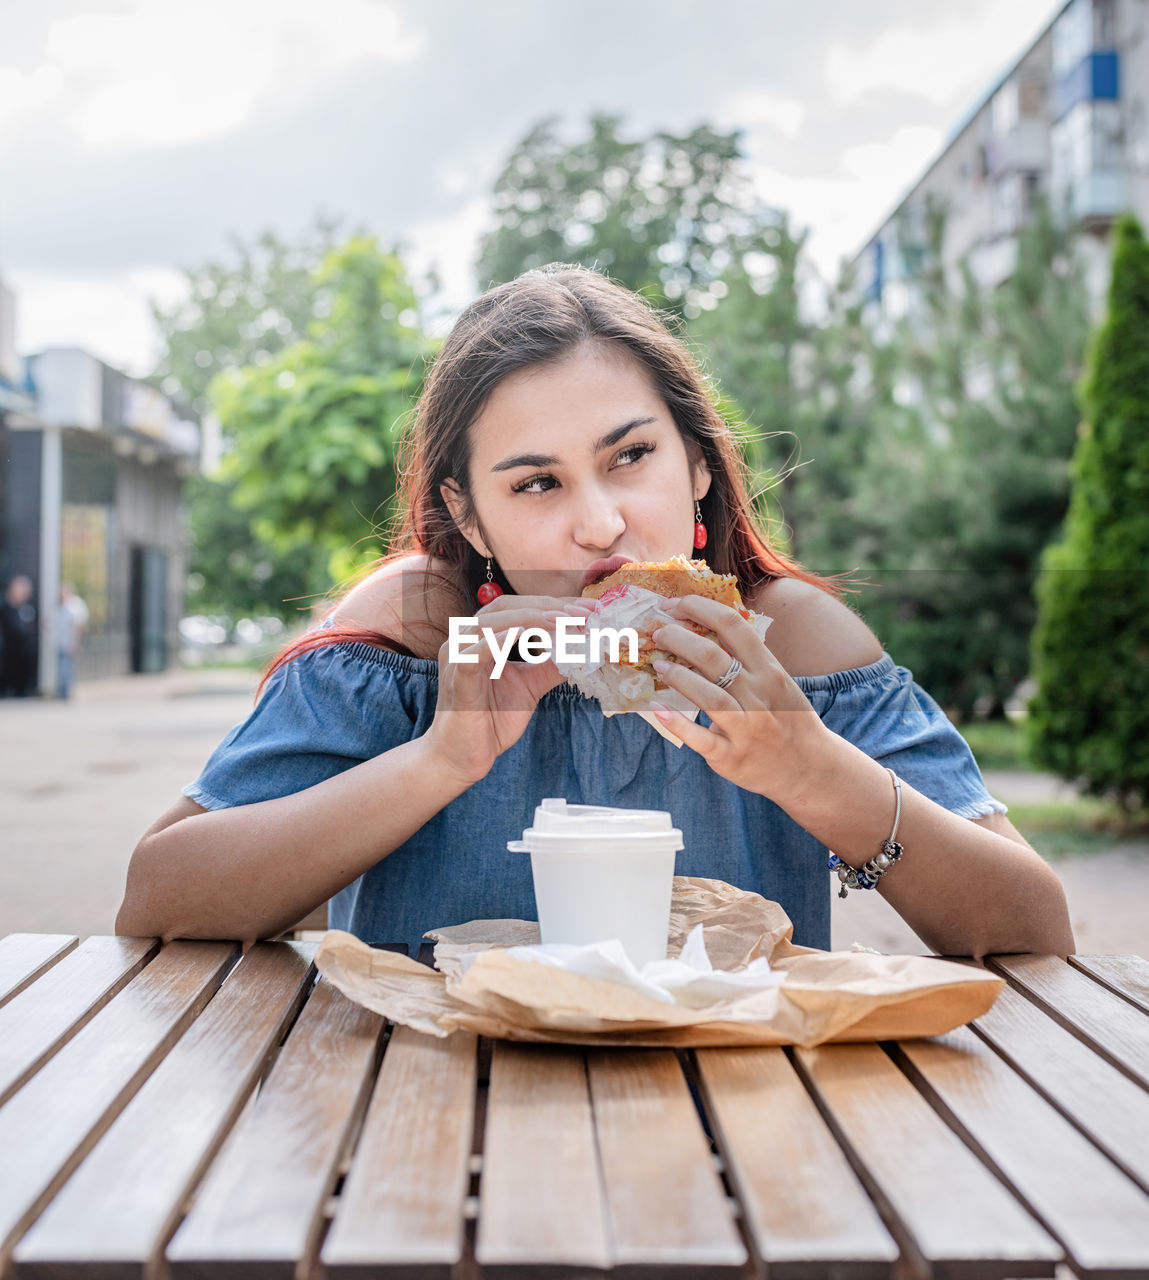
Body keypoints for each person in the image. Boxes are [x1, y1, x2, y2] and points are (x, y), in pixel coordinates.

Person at [115, 264, 1075, 961]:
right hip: (424, 1115)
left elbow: (1031, 928)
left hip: (739, 1122)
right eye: (536, 484)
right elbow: (158, 899)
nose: (601, 524)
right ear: (468, 516)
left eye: (630, 458)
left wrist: (813, 768)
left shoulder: (797, 643)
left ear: (697, 464)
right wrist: (440, 758)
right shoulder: (408, 631)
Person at [0, 574, 39, 698]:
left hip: (24, 648)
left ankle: (22, 689)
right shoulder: (5, 607)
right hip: (8, 648)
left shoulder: (29, 607)